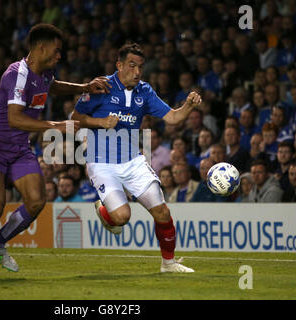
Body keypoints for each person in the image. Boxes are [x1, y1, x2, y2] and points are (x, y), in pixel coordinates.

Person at [0, 23, 110, 280]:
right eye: (56, 51)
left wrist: (84, 87)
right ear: (40, 48)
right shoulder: (16, 75)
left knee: (35, 201)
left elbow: (52, 86)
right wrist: (56, 125)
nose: (59, 56)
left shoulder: (45, 72)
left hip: (19, 147)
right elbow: (15, 119)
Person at [71, 43, 201, 273]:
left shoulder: (145, 91)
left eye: (140, 66)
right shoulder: (101, 86)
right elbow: (75, 117)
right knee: (121, 218)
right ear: (119, 66)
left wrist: (188, 106)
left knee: (161, 211)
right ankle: (104, 210)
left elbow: (171, 117)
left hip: (132, 160)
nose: (137, 72)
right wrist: (100, 122)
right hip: (102, 162)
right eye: (132, 66)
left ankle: (168, 264)